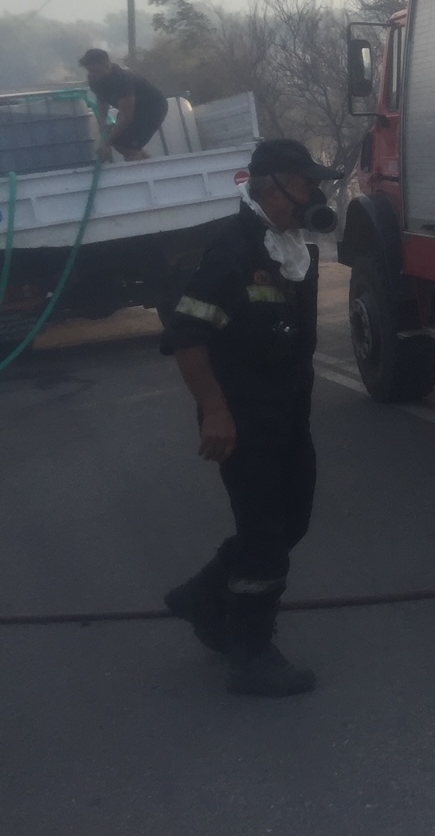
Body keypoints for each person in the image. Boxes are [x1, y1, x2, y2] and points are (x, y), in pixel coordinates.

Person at [160, 138, 341, 696]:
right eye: (307, 185)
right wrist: (214, 410)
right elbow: (188, 336)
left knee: (292, 522)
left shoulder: (291, 248)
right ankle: (251, 649)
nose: (316, 195)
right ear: (270, 187)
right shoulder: (232, 252)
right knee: (264, 535)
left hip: (288, 415)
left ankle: (201, 596)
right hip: (242, 421)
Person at [79, 48, 169, 162]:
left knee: (128, 146)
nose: (92, 74)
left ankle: (141, 174)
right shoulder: (94, 78)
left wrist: (106, 143)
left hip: (152, 108)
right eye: (89, 70)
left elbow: (126, 118)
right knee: (120, 144)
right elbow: (102, 101)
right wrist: (102, 124)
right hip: (133, 110)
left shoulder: (122, 80)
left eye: (95, 70)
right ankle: (155, 167)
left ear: (106, 64)